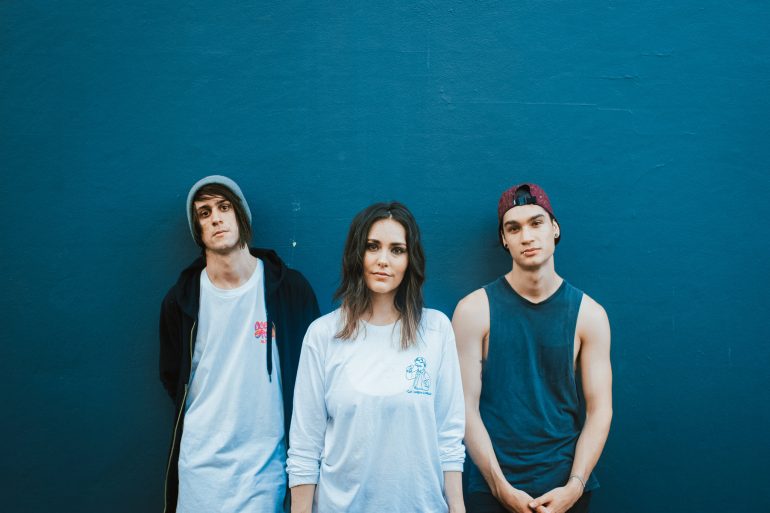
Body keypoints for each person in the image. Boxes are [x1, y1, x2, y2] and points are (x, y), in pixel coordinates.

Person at [287, 202, 466, 513]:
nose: (383, 260)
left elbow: (449, 438)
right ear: (357, 254)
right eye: (373, 247)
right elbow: (305, 446)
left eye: (397, 250)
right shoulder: (323, 335)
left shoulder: (436, 330)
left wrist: (458, 508)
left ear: (410, 260)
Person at [159, 175, 320, 513]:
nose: (216, 218)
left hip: (265, 470)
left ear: (241, 215)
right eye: (204, 213)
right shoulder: (182, 300)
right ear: (198, 230)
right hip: (200, 469)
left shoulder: (289, 290)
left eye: (224, 207)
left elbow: (314, 376)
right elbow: (172, 375)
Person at [453, 184, 612, 513]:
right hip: (493, 488)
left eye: (536, 223)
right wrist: (501, 488)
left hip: (567, 487)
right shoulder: (473, 311)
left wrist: (574, 487)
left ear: (555, 228)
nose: (526, 237)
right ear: (504, 239)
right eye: (514, 228)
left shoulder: (590, 315)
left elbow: (600, 410)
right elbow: (464, 408)